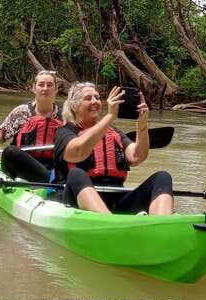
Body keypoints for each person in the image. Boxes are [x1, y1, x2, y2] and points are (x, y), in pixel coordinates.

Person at [53, 82, 173, 215]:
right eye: (88, 98)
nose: (95, 101)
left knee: (162, 177)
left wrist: (142, 124)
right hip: (76, 198)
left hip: (117, 198)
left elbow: (137, 157)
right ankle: (107, 220)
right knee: (76, 173)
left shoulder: (113, 132)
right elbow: (77, 152)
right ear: (74, 106)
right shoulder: (64, 132)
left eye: (97, 97)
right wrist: (110, 116)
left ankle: (162, 221)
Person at [0, 71, 62, 182]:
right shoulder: (22, 112)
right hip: (21, 163)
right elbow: (2, 131)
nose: (45, 88)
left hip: (48, 168)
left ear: (56, 89)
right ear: (34, 88)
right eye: (41, 84)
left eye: (49, 85)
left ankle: (47, 180)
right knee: (10, 152)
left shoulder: (64, 116)